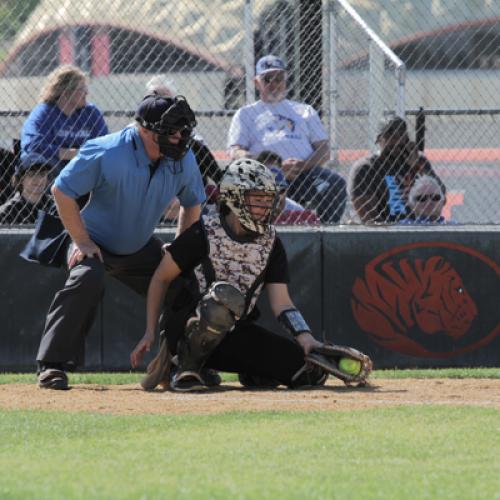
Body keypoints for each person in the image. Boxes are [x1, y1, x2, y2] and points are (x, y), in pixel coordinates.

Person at [36, 94, 206, 390]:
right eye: (171, 131)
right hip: (94, 242)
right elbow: (61, 190)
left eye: (182, 131)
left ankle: (183, 365)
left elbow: (192, 205)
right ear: (144, 129)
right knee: (87, 278)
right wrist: (82, 241)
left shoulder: (183, 158)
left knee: (185, 286)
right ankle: (52, 366)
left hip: (140, 246)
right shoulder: (106, 151)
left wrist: (177, 253)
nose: (178, 138)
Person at [130, 158, 329, 392]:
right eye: (257, 200)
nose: (266, 207)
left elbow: (283, 303)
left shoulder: (271, 243)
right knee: (221, 302)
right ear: (234, 199)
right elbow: (161, 277)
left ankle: (249, 372)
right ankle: (183, 367)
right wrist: (150, 332)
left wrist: (305, 338)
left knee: (306, 372)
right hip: (186, 328)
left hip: (233, 332)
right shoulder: (204, 231)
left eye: (268, 200)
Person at [227, 54, 346, 223]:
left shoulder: (304, 111)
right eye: (267, 79)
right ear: (256, 82)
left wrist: (304, 165)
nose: (273, 84)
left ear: (285, 80)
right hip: (263, 177)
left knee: (334, 183)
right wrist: (272, 166)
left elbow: (324, 149)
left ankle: (324, 230)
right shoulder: (246, 113)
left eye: (278, 78)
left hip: (303, 175)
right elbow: (235, 151)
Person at [349, 116, 446, 224]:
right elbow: (368, 215)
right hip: (383, 231)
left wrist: (416, 166)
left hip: (419, 226)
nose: (396, 141)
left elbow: (441, 196)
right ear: (379, 140)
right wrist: (392, 234)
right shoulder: (366, 167)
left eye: (401, 135)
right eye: (390, 136)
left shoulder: (418, 161)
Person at [21, 65, 108, 177]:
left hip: (83, 167)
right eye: (81, 89)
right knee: (45, 163)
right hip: (53, 169)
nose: (86, 93)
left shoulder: (91, 112)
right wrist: (71, 154)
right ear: (66, 93)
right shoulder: (44, 112)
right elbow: (32, 145)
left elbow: (104, 143)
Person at [0, 154, 51, 224]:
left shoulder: (56, 206)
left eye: (42, 174)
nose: (39, 179)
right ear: (20, 179)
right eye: (32, 174)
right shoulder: (7, 211)